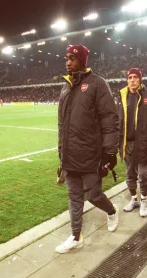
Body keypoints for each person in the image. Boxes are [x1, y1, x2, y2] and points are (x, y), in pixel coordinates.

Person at [56, 45, 120, 254]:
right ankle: (76, 236)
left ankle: (111, 211)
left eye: (73, 58)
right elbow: (61, 125)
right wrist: (61, 156)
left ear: (83, 60)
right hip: (70, 156)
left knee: (93, 195)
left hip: (91, 155)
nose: (68, 62)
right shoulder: (65, 87)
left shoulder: (97, 84)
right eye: (67, 58)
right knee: (74, 197)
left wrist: (109, 153)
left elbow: (109, 119)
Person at [118, 68, 147, 217]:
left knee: (143, 175)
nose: (132, 80)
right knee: (129, 174)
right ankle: (134, 199)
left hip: (143, 143)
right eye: (130, 77)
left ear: (140, 80)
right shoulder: (123, 96)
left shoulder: (145, 96)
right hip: (126, 143)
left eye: (136, 77)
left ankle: (144, 200)